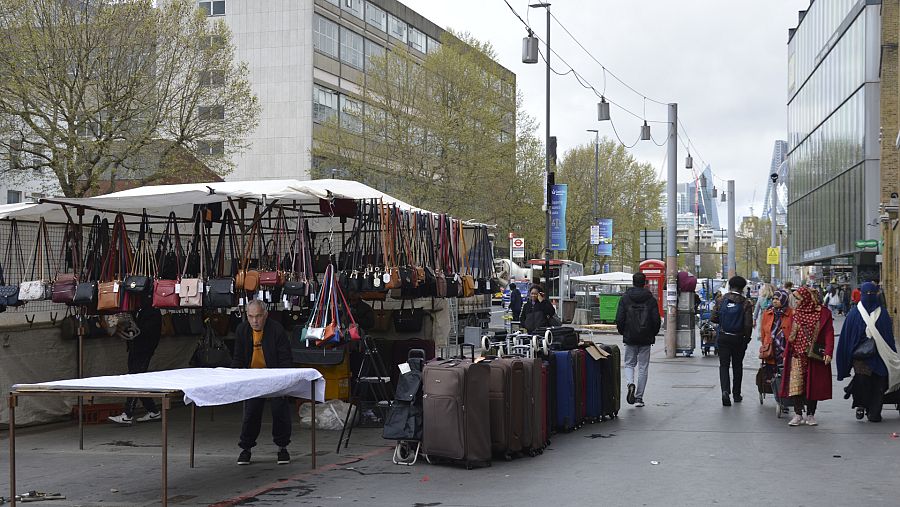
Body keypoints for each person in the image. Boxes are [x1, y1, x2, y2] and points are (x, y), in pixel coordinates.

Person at [232, 300, 293, 465]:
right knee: (251, 412)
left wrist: (284, 382)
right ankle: (246, 448)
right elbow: (238, 357)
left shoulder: (276, 330)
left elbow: (285, 359)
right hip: (252, 377)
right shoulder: (242, 330)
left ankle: (282, 447)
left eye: (258, 316)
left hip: (274, 376)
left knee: (279, 410)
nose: (255, 321)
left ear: (265, 315)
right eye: (251, 316)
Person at [836, 282, 899, 422]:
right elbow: (847, 337)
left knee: (878, 383)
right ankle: (862, 405)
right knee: (863, 382)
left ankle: (874, 412)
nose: (869, 297)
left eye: (872, 294)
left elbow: (888, 337)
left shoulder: (881, 314)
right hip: (862, 358)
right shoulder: (855, 314)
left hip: (879, 356)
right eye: (867, 294)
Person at [777, 287, 834, 426]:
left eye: (798, 299)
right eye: (795, 299)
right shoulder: (795, 314)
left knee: (812, 385)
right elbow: (790, 334)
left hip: (814, 355)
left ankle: (810, 414)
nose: (796, 302)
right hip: (796, 354)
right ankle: (797, 414)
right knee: (796, 385)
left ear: (806, 298)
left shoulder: (823, 313)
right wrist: (785, 354)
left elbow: (828, 333)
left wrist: (828, 351)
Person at [108, 296, 162, 425]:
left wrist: (131, 326)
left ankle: (128, 414)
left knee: (134, 379)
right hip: (135, 348)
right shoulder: (136, 309)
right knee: (138, 379)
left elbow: (146, 332)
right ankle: (153, 411)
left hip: (144, 350)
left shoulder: (152, 311)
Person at [615, 272, 662, 408]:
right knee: (643, 367)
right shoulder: (651, 299)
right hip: (646, 337)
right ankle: (639, 398)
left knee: (629, 364)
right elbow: (656, 320)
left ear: (633, 282)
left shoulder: (625, 299)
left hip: (630, 336)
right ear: (645, 283)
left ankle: (630, 383)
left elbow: (619, 318)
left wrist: (623, 332)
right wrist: (653, 333)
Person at [711, 276, 754, 406]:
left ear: (730, 286)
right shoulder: (746, 303)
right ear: (742, 288)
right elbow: (748, 324)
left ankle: (725, 391)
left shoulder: (721, 300)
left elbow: (714, 318)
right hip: (738, 338)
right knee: (737, 366)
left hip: (724, 337)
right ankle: (736, 394)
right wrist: (746, 338)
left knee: (724, 365)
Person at [759, 289, 793, 368]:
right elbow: (763, 332)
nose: (774, 301)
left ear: (784, 299)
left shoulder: (792, 313)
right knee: (770, 374)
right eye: (773, 299)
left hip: (785, 348)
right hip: (770, 348)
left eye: (777, 299)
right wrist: (765, 345)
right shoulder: (767, 313)